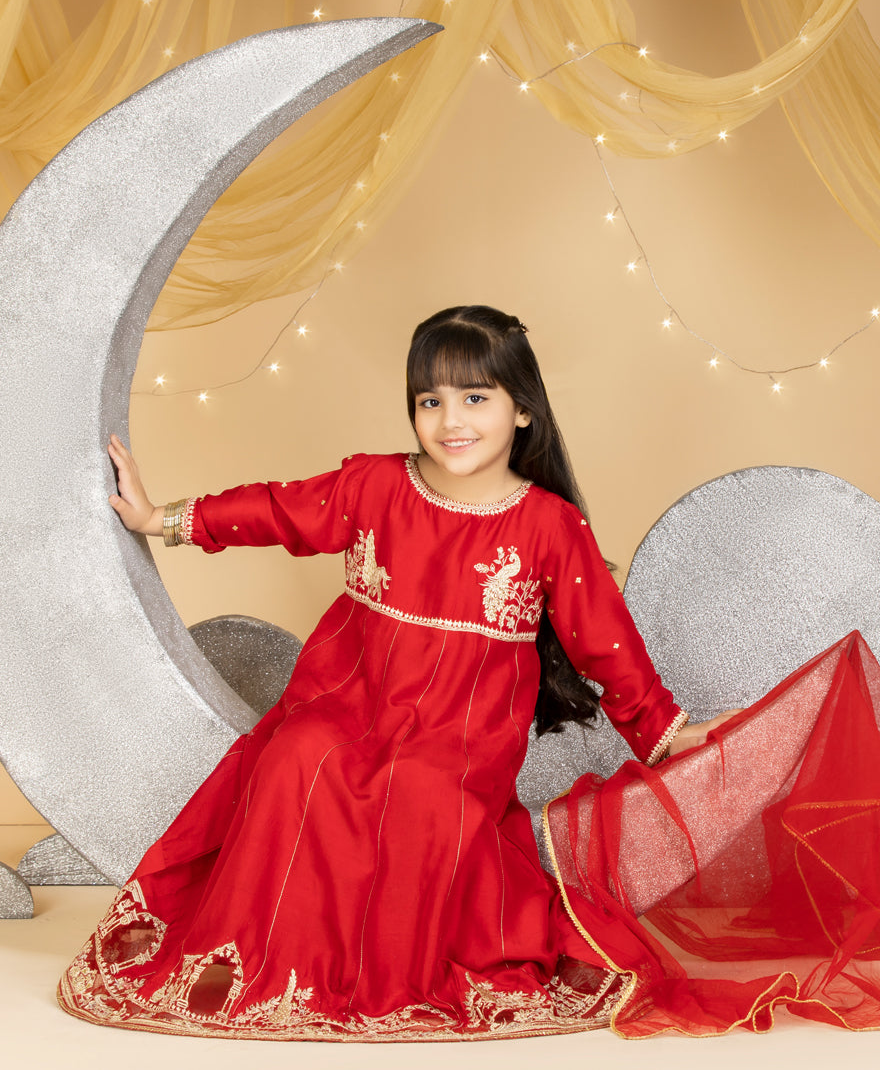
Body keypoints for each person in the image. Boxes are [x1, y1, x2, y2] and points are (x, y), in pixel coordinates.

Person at [58, 305, 880, 1040]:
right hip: (352, 700)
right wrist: (161, 518)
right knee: (296, 759)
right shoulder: (374, 485)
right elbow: (279, 509)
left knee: (420, 795)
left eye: (475, 398)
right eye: (431, 401)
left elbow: (605, 644)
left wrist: (666, 731)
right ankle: (281, 967)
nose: (450, 421)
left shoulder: (549, 525)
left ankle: (384, 976)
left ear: (522, 409)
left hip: (460, 734)